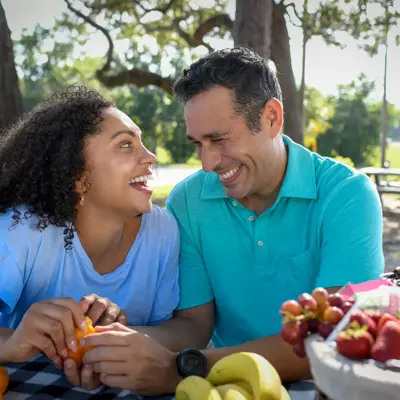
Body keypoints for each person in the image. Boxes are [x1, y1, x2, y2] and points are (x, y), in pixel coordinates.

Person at [71, 48, 385, 395]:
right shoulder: (188, 200)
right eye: (198, 144)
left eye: (219, 139)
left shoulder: (348, 196)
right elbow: (194, 324)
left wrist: (182, 368)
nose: (208, 164)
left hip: (320, 386)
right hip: (222, 384)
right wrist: (110, 342)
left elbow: (333, 337)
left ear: (271, 118)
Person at [0, 87, 180, 390]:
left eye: (142, 143)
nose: (150, 157)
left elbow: (180, 329)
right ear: (79, 178)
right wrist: (13, 342)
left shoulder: (162, 231)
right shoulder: (23, 230)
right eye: (125, 145)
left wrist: (115, 342)